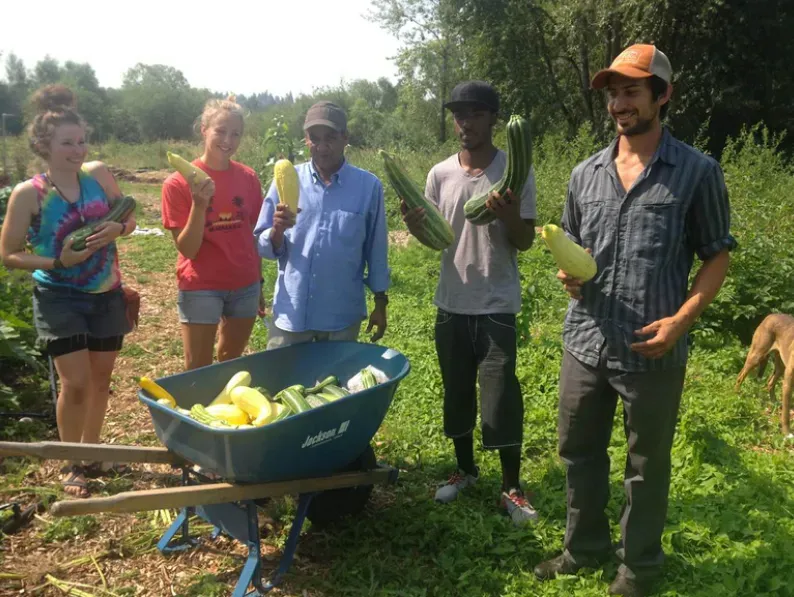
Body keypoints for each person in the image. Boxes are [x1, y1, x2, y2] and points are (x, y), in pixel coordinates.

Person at [532, 45, 736, 596]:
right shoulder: (585, 174)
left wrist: (682, 320)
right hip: (586, 339)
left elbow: (717, 252)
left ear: (662, 95)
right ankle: (585, 546)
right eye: (613, 93)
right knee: (577, 449)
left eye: (632, 91)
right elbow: (573, 248)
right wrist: (569, 277)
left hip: (653, 344)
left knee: (646, 464)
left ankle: (640, 565)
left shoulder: (696, 171)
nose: (620, 104)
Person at [400, 81, 538, 526]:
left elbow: (526, 240)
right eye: (459, 114)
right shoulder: (440, 175)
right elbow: (435, 240)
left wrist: (509, 214)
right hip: (451, 303)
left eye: (475, 113)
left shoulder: (515, 169)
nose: (465, 122)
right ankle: (465, 470)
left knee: (499, 397)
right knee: (456, 392)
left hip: (496, 304)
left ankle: (512, 487)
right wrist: (414, 224)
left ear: (493, 118)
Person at [0, 84, 137, 497]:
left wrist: (120, 228)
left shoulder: (97, 175)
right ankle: (71, 463)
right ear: (44, 145)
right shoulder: (29, 194)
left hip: (106, 292)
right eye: (67, 143)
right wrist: (58, 262)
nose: (77, 150)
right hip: (59, 296)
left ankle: (92, 452)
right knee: (75, 382)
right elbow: (9, 254)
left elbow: (128, 215)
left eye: (82, 141)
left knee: (100, 380)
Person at [254, 101, 389, 348]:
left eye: (331, 138)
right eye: (314, 139)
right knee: (282, 383)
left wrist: (381, 302)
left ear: (345, 137)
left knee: (335, 384)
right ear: (306, 139)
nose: (322, 147)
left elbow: (376, 249)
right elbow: (262, 245)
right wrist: (277, 230)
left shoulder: (368, 187)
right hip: (291, 316)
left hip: (341, 318)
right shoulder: (286, 179)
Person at [161, 96, 266, 370]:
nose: (228, 140)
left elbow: (252, 235)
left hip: (245, 284)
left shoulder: (249, 178)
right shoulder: (178, 183)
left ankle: (221, 413)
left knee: (230, 362)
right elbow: (188, 250)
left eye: (236, 134)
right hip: (201, 286)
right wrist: (199, 204)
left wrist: (260, 282)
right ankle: (196, 414)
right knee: (198, 367)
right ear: (204, 129)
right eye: (220, 131)